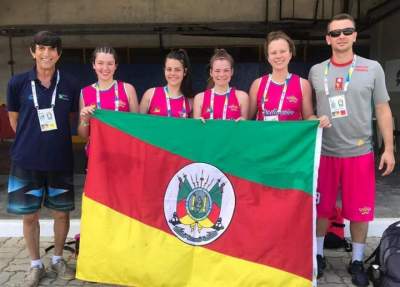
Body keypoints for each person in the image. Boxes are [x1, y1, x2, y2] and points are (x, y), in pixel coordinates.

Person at [309, 13, 395, 286]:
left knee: (360, 211)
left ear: (356, 35)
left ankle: (357, 260)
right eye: (335, 33)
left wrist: (389, 148)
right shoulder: (315, 71)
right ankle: (317, 256)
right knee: (321, 209)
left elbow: (382, 108)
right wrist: (312, 120)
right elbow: (308, 113)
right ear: (327, 39)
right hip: (324, 153)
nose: (341, 37)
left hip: (359, 152)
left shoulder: (372, 68)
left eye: (347, 31)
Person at [6, 31, 79, 286]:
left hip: (60, 160)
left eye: (51, 49)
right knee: (30, 216)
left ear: (58, 54)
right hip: (26, 160)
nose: (46, 54)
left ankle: (58, 258)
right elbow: (14, 120)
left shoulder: (69, 84)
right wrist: (33, 141)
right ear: (32, 51)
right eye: (41, 49)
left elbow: (72, 119)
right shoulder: (17, 83)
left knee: (61, 214)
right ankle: (36, 264)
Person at [249, 30, 330, 127]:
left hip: (292, 142)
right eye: (273, 53)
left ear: (290, 54)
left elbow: (308, 116)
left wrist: (318, 121)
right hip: (265, 141)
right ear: (268, 57)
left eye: (283, 51)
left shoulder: (302, 84)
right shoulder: (257, 84)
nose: (278, 56)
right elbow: (247, 118)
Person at [78, 46, 139, 140]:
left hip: (123, 151)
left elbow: (137, 127)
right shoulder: (85, 92)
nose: (105, 68)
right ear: (93, 65)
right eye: (100, 63)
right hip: (97, 152)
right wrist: (85, 120)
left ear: (116, 66)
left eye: (110, 63)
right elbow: (83, 136)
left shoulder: (128, 89)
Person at [193, 49, 248, 121]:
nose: (221, 74)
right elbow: (196, 131)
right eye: (217, 71)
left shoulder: (242, 97)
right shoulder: (199, 98)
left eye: (226, 70)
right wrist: (197, 124)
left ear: (232, 72)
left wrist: (244, 123)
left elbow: (246, 129)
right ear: (211, 72)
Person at [140, 49, 193, 118]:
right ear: (164, 70)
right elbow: (137, 123)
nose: (173, 73)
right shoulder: (150, 95)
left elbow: (193, 128)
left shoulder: (190, 101)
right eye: (169, 69)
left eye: (177, 70)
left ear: (185, 71)